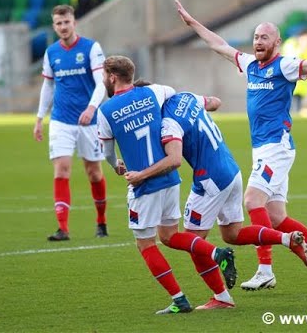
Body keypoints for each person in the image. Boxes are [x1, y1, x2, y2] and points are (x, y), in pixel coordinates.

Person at [175, 0, 307, 291]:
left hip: (276, 147)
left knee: (252, 201)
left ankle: (265, 269)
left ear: (276, 42)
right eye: (256, 37)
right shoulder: (250, 65)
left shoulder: (286, 65)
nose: (258, 41)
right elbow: (218, 45)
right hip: (263, 148)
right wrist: (192, 22)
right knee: (277, 217)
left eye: (264, 37)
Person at [125, 91, 307, 308]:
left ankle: (222, 297)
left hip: (209, 179)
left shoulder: (168, 123)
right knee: (232, 234)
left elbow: (174, 159)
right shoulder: (186, 97)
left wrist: (140, 174)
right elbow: (215, 102)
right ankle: (286, 239)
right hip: (231, 170)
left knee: (194, 242)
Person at [97, 55, 237, 314]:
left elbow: (105, 152)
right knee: (169, 236)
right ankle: (216, 254)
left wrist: (116, 164)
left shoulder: (105, 111)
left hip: (145, 183)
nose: (103, 80)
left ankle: (180, 299)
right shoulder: (154, 91)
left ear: (112, 77)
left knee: (146, 244)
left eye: (104, 76)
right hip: (170, 179)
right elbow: (174, 98)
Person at [33, 4, 109, 241]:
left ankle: (101, 221)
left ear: (74, 22)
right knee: (61, 169)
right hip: (61, 120)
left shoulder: (91, 48)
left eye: (67, 22)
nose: (63, 27)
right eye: (58, 23)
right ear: (54, 26)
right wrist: (39, 118)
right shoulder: (51, 52)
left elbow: (101, 83)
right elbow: (48, 85)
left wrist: (91, 108)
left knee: (94, 173)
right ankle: (63, 228)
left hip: (89, 120)